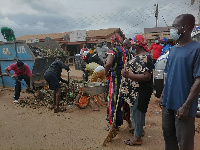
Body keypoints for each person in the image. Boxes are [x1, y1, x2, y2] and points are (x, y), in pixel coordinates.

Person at [160, 14, 200, 150]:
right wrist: (163, 95)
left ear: (186, 27)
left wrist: (186, 106)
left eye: (175, 26)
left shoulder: (197, 49)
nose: (173, 29)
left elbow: (198, 80)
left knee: (184, 143)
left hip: (183, 106)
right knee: (168, 137)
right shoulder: (173, 49)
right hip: (168, 103)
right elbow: (169, 74)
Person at [122, 35, 153, 146]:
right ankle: (139, 131)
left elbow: (146, 76)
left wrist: (128, 74)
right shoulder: (139, 56)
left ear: (137, 44)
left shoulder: (146, 57)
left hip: (140, 90)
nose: (131, 45)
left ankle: (137, 137)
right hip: (135, 90)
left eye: (133, 43)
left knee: (137, 112)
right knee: (137, 112)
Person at [104, 35, 129, 131]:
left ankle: (113, 125)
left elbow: (109, 63)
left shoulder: (113, 51)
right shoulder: (125, 51)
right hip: (124, 79)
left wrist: (105, 73)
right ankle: (122, 120)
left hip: (115, 80)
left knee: (113, 101)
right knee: (122, 101)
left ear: (112, 42)